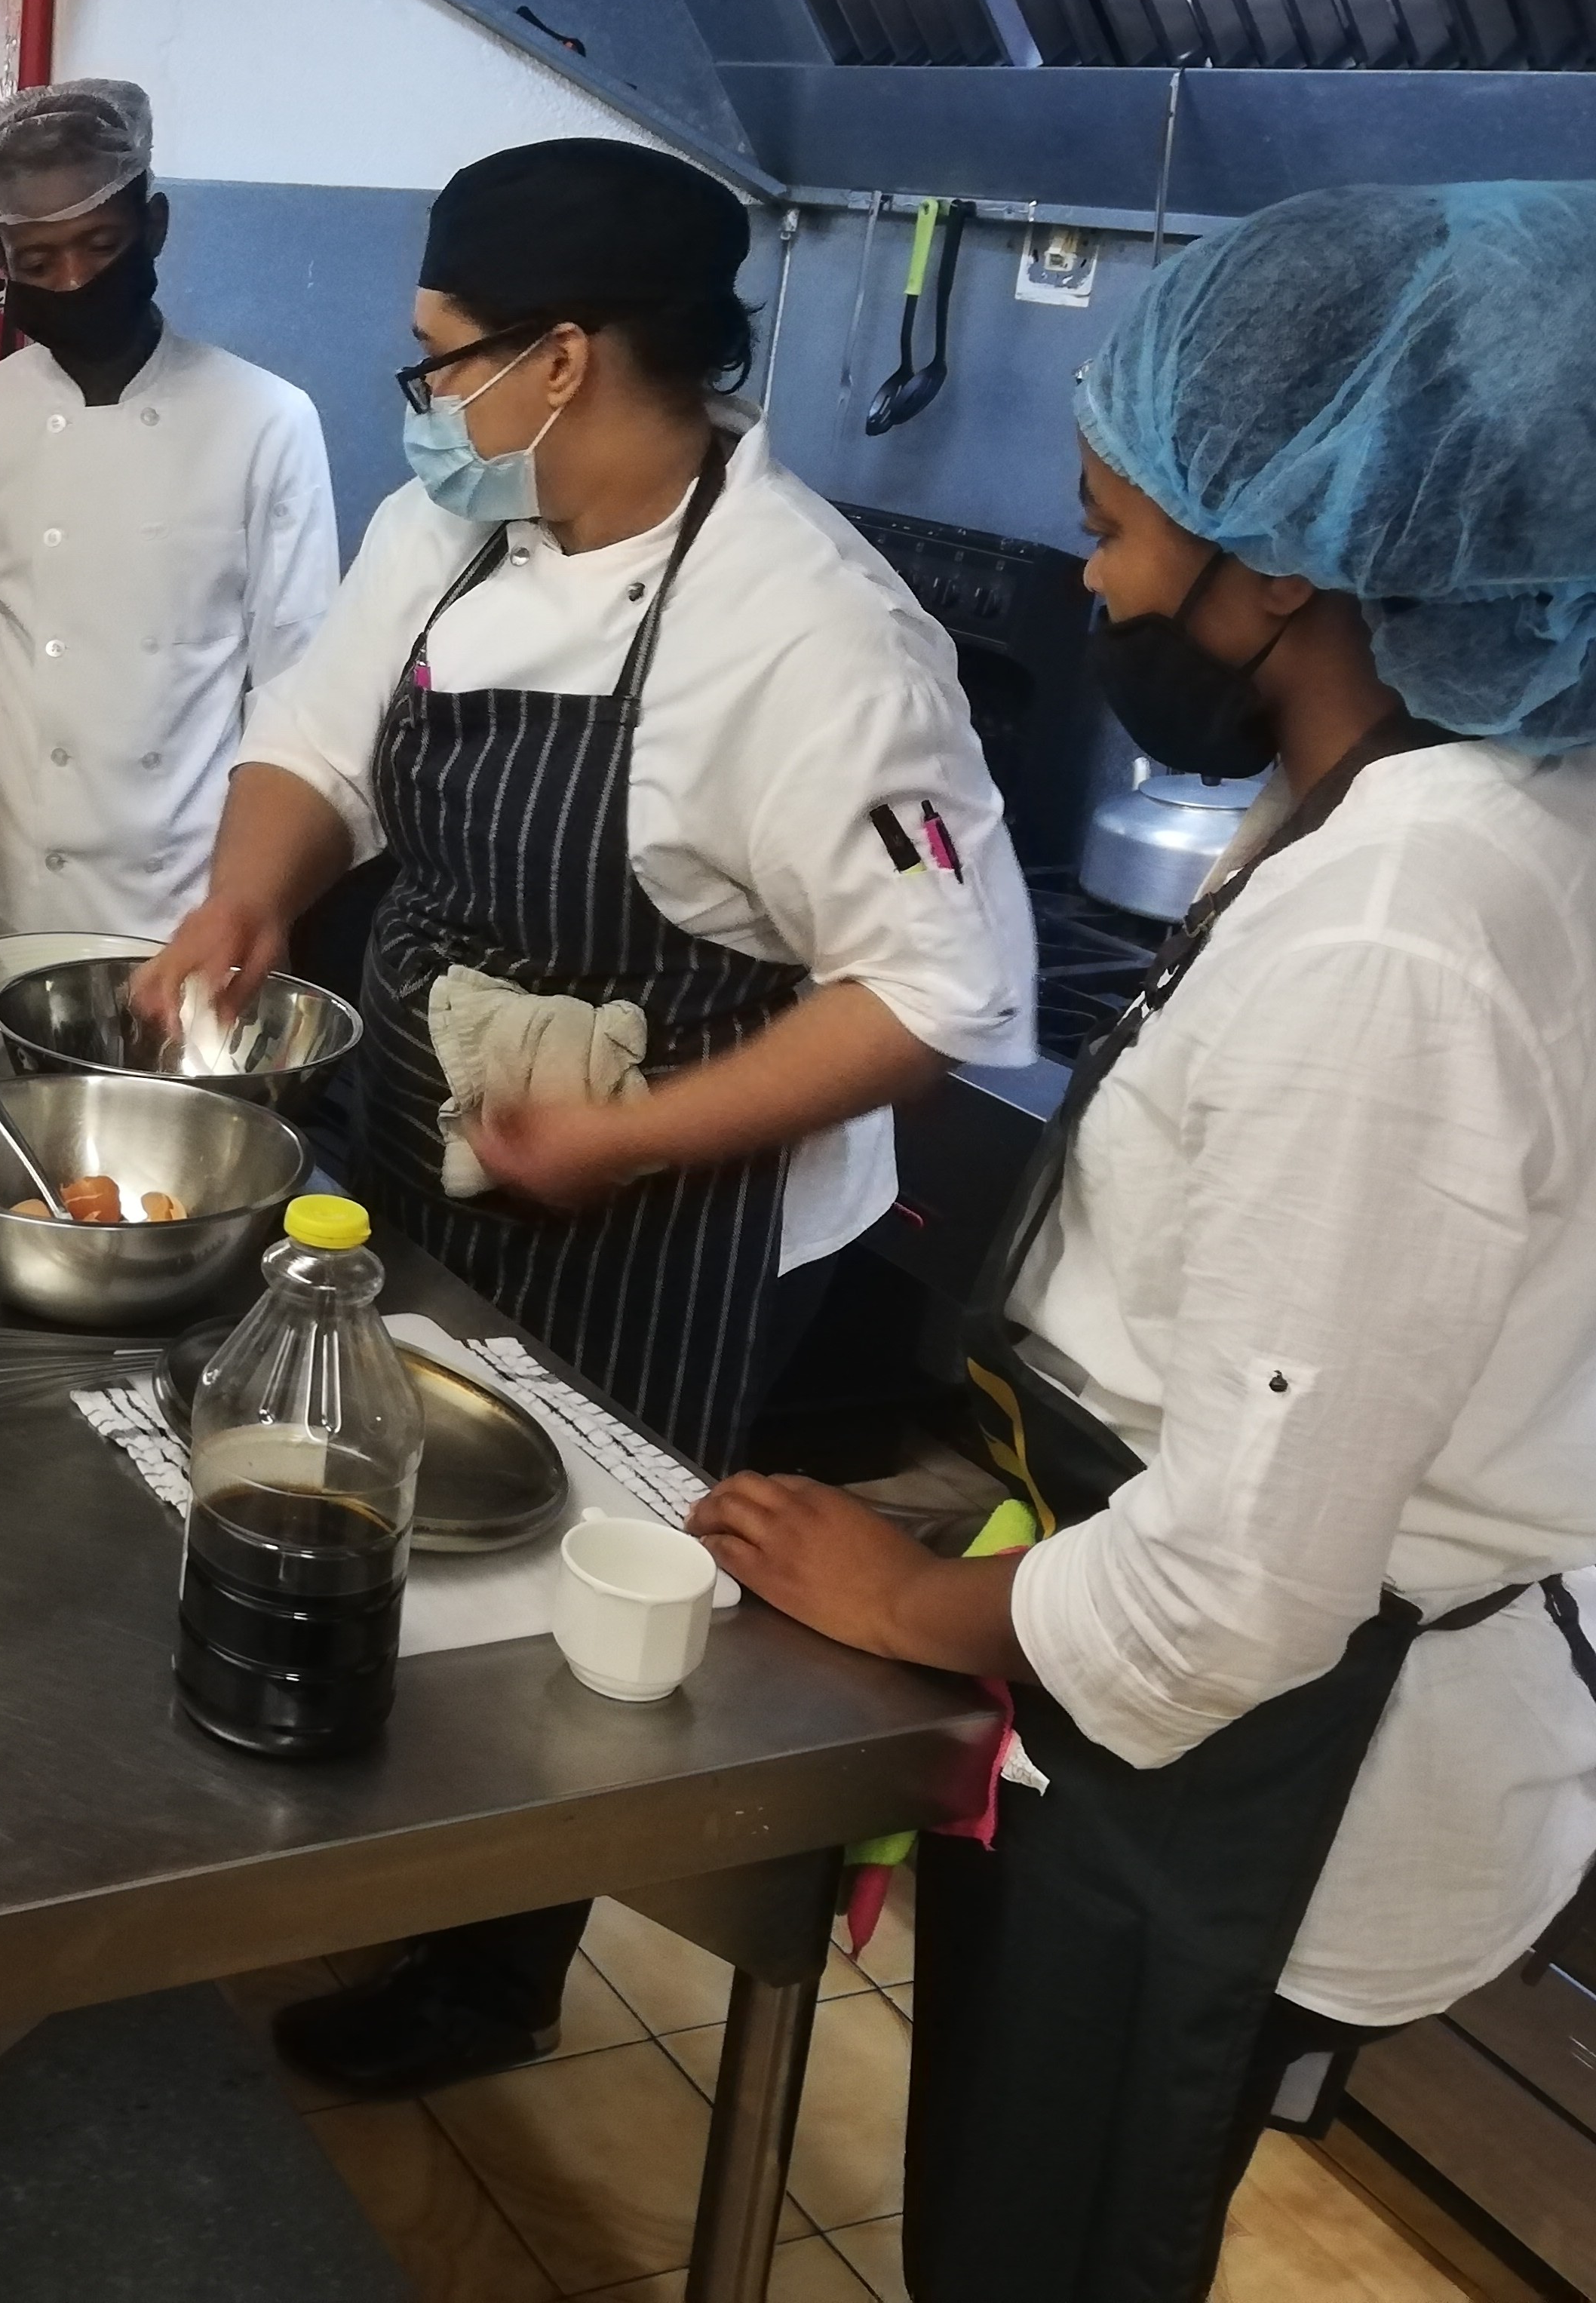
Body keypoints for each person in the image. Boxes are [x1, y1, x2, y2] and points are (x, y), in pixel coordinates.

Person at [690, 183, 1596, 2303]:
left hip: (1263, 1757)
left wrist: (914, 1595)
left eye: (1114, 530)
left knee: (1058, 2255)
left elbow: (1240, 1595)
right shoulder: (1483, 792)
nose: (1093, 579)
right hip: (1239, 1686)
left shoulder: (1403, 929)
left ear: (1286, 563)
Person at [139, 137, 1033, 2098]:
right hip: (423, 1133)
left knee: (567, 1597)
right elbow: (315, 741)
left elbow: (948, 991)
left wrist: (627, 1138)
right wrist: (248, 894)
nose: (425, 400)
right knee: (379, 1490)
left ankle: (492, 1967)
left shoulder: (806, 632)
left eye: (443, 359)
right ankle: (367, 1854)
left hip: (670, 1216)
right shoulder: (463, 526)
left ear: (566, 358)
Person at [0, 80, 337, 935]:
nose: (73, 279)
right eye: (38, 262)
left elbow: (297, 691)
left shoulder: (267, 419)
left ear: (156, 227)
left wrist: (255, 901)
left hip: (190, 886)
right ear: (1, 257)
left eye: (100, 244)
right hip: (16, 880)